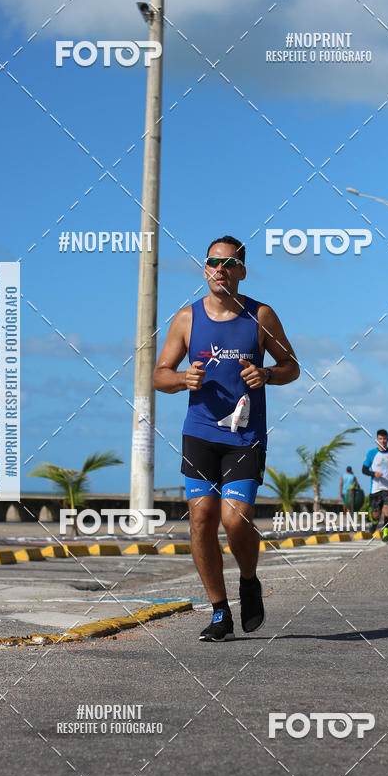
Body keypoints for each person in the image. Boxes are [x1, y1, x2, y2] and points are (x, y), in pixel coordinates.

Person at [153, 235, 300, 642]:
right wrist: (183, 379)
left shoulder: (261, 316)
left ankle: (249, 582)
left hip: (245, 434)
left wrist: (268, 374)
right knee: (201, 519)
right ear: (205, 269)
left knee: (235, 519)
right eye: (214, 263)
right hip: (199, 432)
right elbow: (159, 375)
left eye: (230, 264)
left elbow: (292, 366)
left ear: (242, 272)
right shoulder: (187, 319)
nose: (221, 269)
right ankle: (220, 612)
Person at [361, 429, 388, 542]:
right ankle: (374, 524)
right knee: (376, 514)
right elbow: (364, 470)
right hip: (375, 488)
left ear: (387, 440)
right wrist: (373, 473)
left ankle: (385, 534)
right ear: (377, 440)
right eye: (380, 439)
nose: (383, 441)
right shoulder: (371, 453)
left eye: (384, 439)